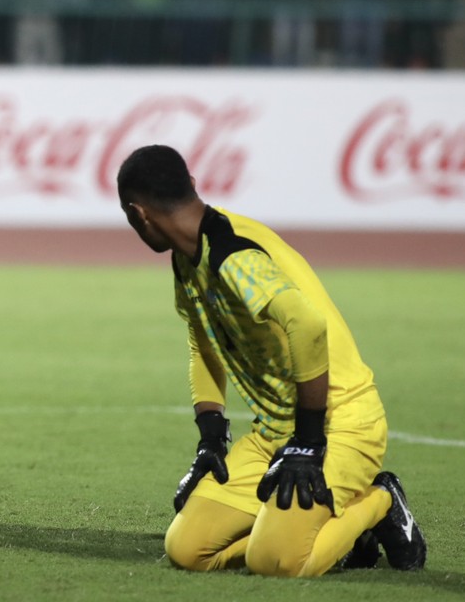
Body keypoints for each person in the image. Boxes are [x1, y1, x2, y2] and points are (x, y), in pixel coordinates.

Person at [115, 144, 426, 576]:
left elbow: (308, 326)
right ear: (191, 184)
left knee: (278, 561)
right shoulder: (189, 257)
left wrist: (309, 441)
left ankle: (380, 500)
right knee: (187, 550)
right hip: (275, 435)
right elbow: (201, 339)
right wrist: (210, 436)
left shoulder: (231, 252)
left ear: (138, 214)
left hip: (341, 425)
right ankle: (313, 526)